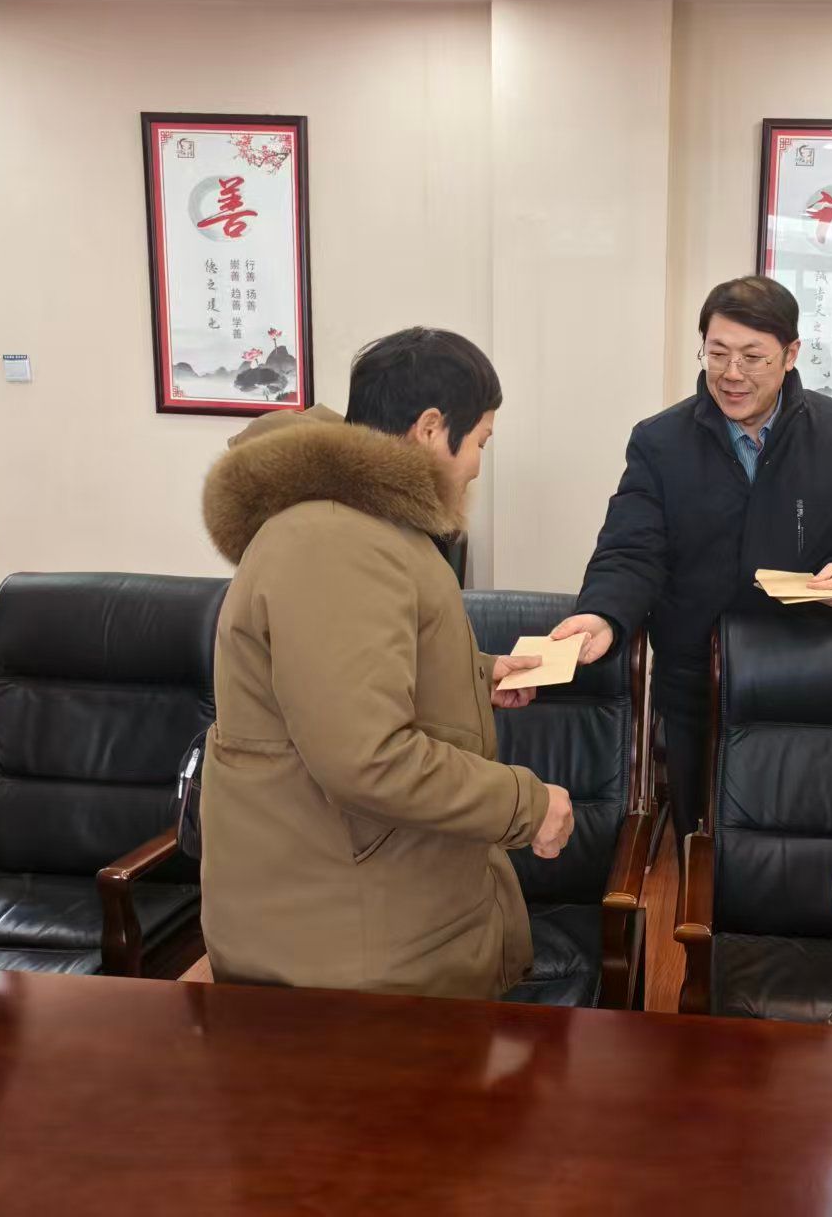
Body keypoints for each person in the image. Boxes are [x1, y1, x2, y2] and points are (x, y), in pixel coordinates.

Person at [199, 327, 575, 1000]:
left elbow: (347, 676)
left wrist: (476, 673)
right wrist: (526, 803)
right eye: (480, 441)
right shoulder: (334, 541)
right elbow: (366, 756)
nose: (477, 467)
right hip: (347, 944)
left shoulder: (357, 524)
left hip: (368, 908)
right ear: (431, 428)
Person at [551, 276, 832, 850]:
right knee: (698, 841)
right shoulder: (660, 441)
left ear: (791, 355)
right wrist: (601, 613)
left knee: (791, 839)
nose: (731, 374)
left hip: (804, 675)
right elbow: (630, 551)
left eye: (753, 357)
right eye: (717, 353)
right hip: (695, 680)